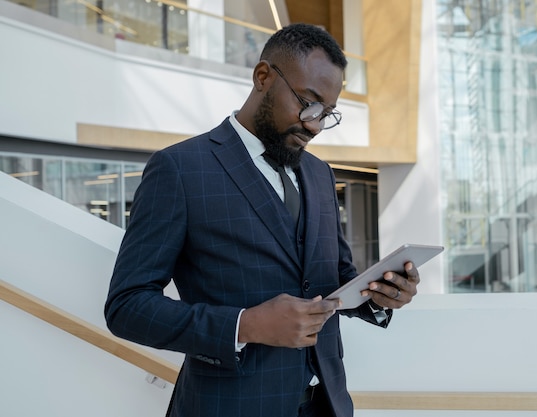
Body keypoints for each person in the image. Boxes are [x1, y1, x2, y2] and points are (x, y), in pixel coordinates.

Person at [104, 23, 420, 417]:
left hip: (326, 405)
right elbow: (126, 307)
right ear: (263, 76)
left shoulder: (320, 174)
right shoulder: (180, 169)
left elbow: (332, 279)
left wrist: (377, 294)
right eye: (308, 103)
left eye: (328, 114)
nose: (315, 124)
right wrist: (245, 325)